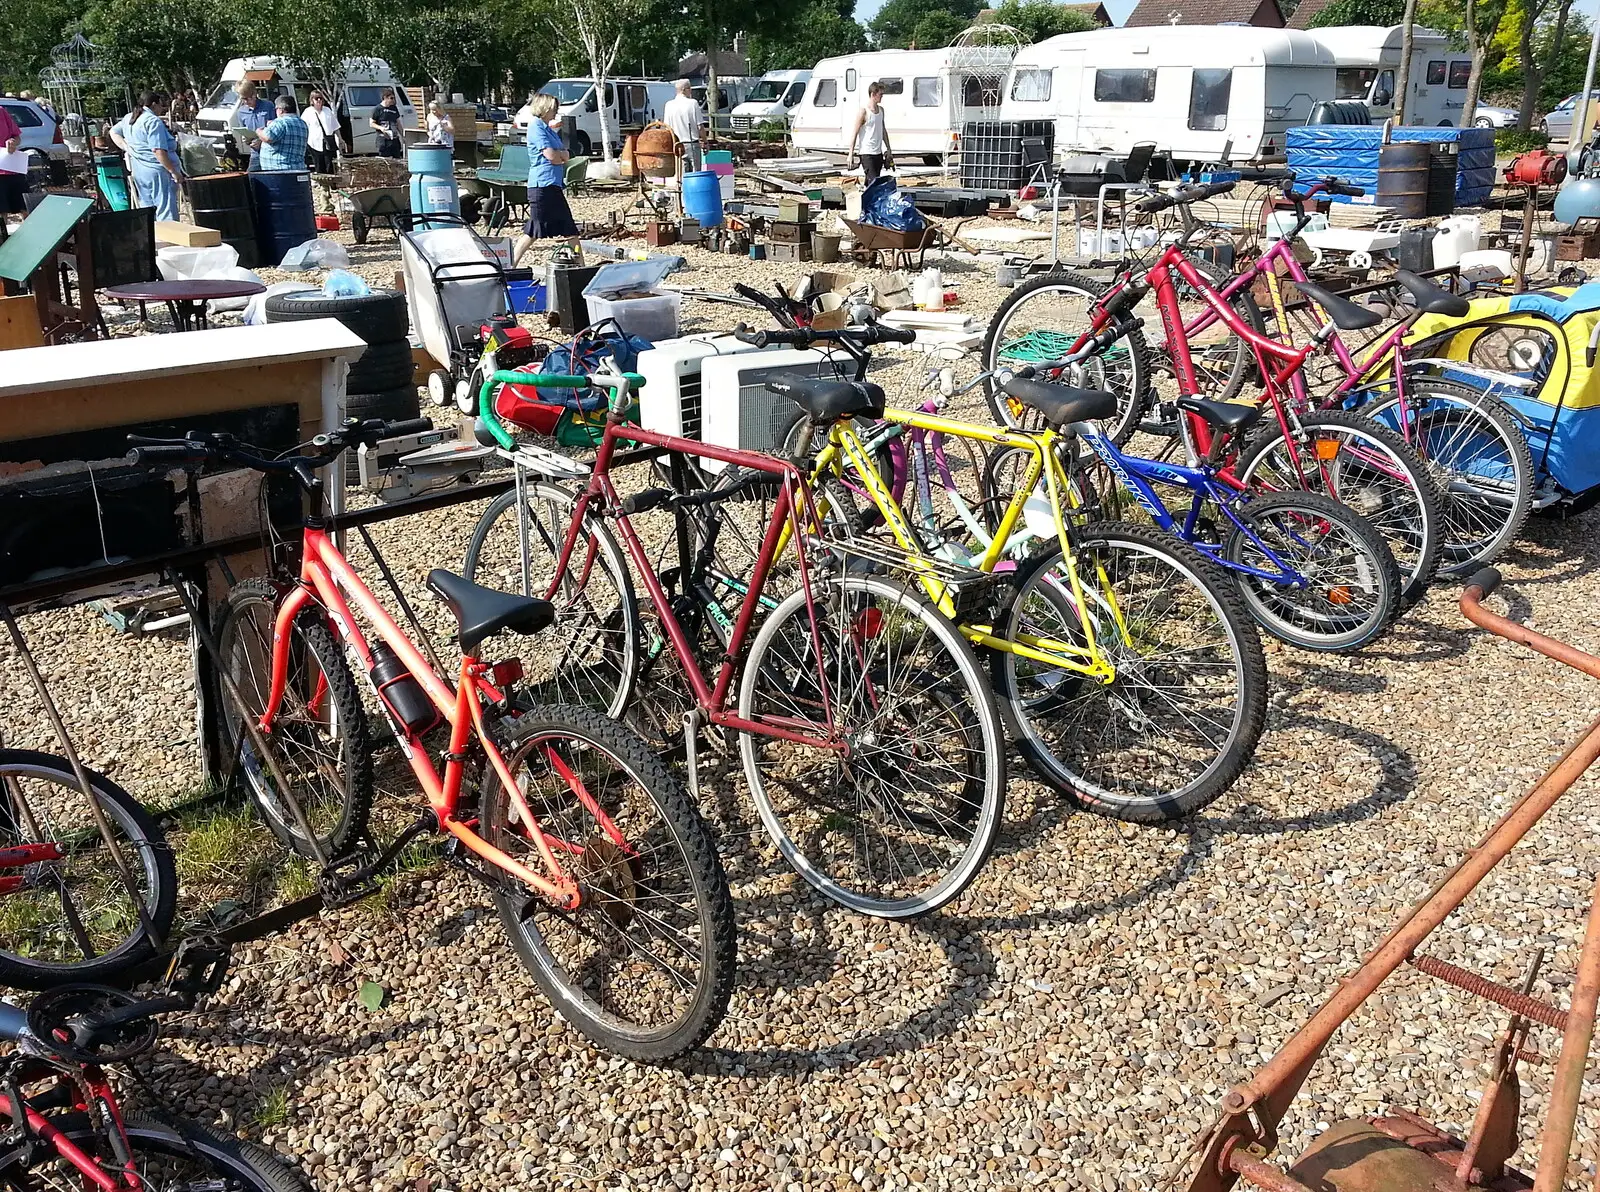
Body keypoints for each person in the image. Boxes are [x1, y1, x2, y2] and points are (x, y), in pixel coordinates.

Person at [512, 93, 577, 265]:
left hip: (553, 185)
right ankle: (510, 264)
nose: (556, 110)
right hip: (542, 185)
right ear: (545, 108)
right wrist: (560, 155)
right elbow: (552, 156)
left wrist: (561, 155)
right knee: (534, 230)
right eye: (554, 107)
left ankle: (580, 266)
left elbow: (565, 155)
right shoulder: (536, 127)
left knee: (569, 228)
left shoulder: (549, 130)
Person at [127, 90, 183, 222]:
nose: (161, 108)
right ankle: (170, 239)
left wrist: (126, 147)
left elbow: (114, 131)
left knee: (148, 209)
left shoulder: (130, 118)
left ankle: (152, 239)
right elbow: (158, 150)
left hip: (140, 171)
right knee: (165, 209)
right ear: (153, 104)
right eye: (160, 105)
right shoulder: (152, 121)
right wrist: (173, 171)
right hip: (157, 171)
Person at [847, 81, 893, 186]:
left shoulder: (881, 110)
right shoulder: (864, 112)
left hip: (878, 152)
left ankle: (863, 200)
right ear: (873, 94)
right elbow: (854, 133)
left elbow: (883, 130)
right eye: (880, 94)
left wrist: (888, 149)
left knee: (871, 182)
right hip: (867, 153)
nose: (882, 97)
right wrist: (850, 154)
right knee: (874, 182)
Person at [257, 94, 308, 171]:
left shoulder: (280, 122)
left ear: (280, 110)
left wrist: (259, 131)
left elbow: (268, 137)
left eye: (276, 109)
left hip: (279, 171)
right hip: (298, 169)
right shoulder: (302, 123)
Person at [663, 78, 704, 172]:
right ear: (684, 90)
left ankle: (681, 187)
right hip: (691, 143)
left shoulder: (669, 105)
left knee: (681, 173)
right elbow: (700, 126)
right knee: (695, 174)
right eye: (690, 88)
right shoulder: (693, 103)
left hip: (676, 145)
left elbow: (666, 128)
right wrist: (705, 142)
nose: (691, 91)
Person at [233, 80, 275, 171]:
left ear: (255, 93)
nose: (246, 101)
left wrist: (261, 140)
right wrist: (247, 140)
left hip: (271, 151)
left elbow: (275, 129)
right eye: (242, 99)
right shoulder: (241, 112)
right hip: (255, 153)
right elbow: (245, 132)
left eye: (248, 98)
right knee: (251, 178)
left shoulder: (268, 106)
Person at [303, 90, 341, 173]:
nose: (319, 100)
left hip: (328, 142)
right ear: (312, 100)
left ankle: (332, 184)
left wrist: (340, 139)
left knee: (330, 165)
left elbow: (335, 126)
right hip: (314, 143)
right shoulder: (308, 112)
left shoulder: (327, 110)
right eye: (316, 98)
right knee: (319, 165)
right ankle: (323, 184)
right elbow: (304, 127)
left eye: (320, 98)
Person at [0, 102, 24, 217]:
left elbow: (17, 136)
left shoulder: (1, 111)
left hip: (10, 167)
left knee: (24, 207)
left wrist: (13, 142)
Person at [370, 89, 403, 158]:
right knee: (385, 159)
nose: (393, 100)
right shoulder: (377, 109)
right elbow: (371, 123)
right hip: (383, 139)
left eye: (394, 98)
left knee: (397, 159)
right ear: (385, 98)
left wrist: (403, 134)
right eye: (391, 98)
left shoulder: (394, 108)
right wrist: (381, 128)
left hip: (394, 139)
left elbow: (398, 122)